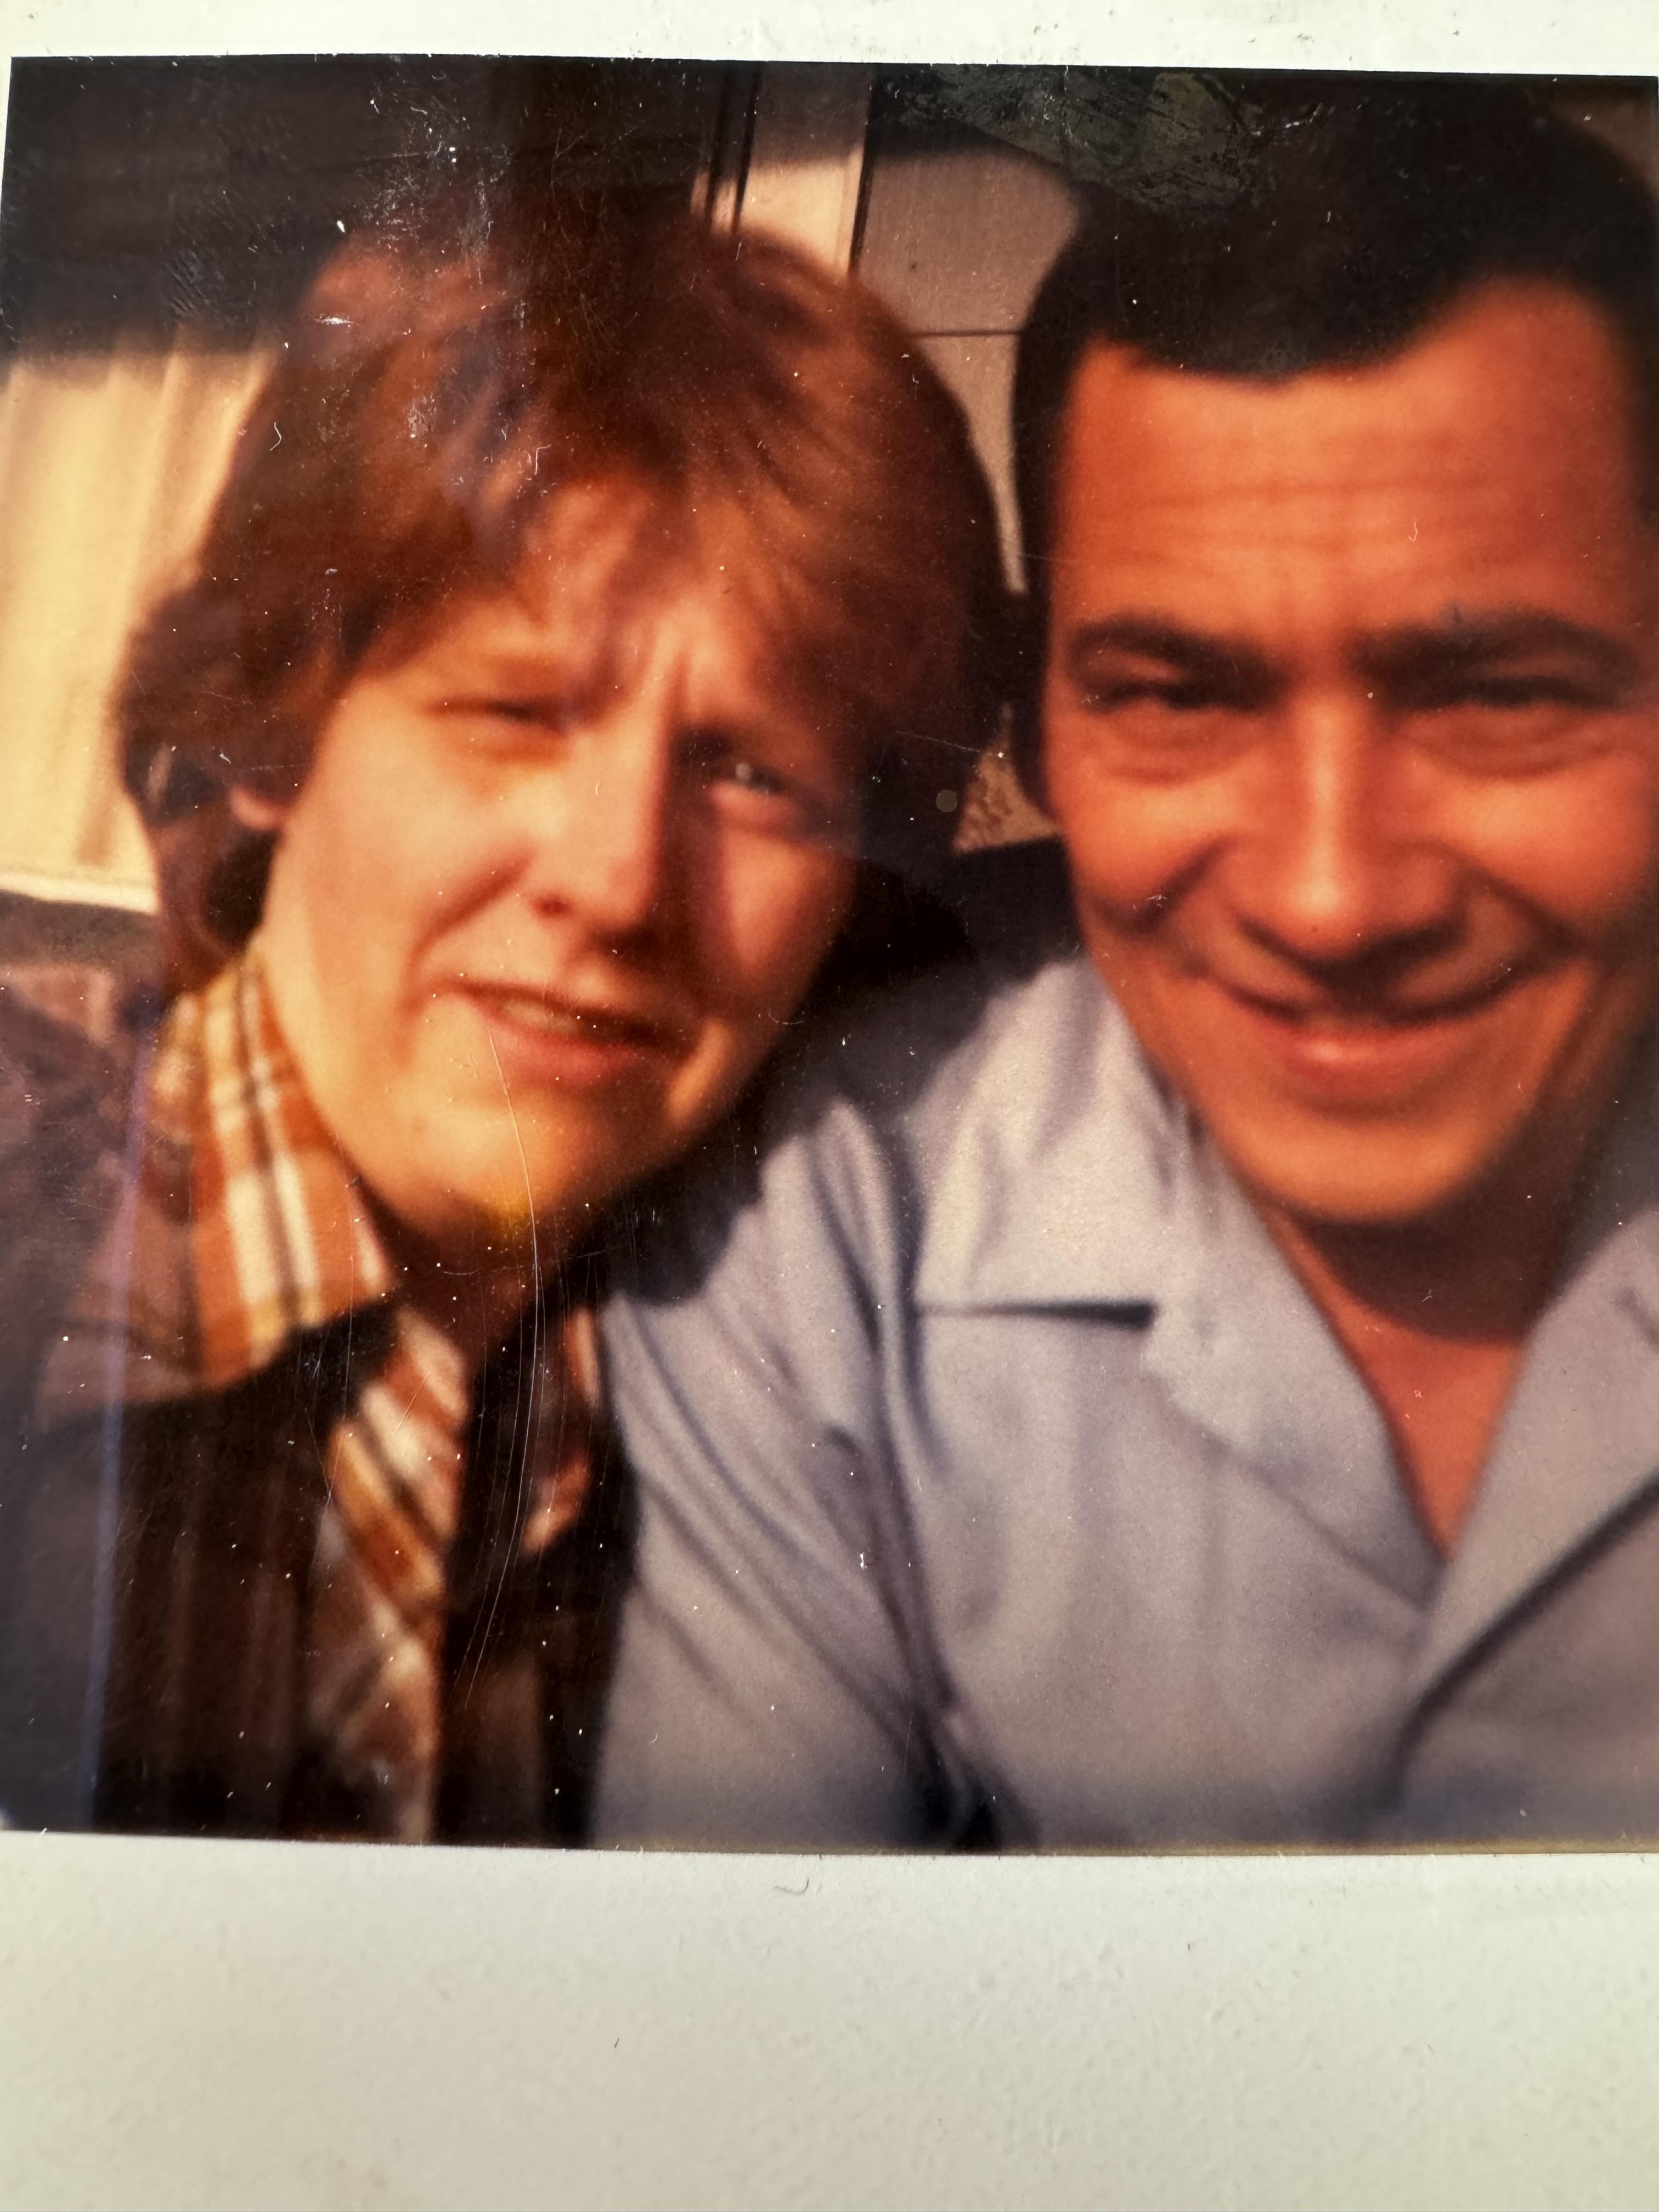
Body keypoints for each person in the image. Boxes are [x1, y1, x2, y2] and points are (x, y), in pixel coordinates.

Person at [593, 82, 1659, 1848]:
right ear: (1040, 733)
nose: (1332, 897)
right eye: (1176, 698)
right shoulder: (830, 1241)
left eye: (1497, 695)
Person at [0, 189, 1005, 1841]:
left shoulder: (812, 1399)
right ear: (270, 735)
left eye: (753, 773)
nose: (620, 880)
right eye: (514, 712)